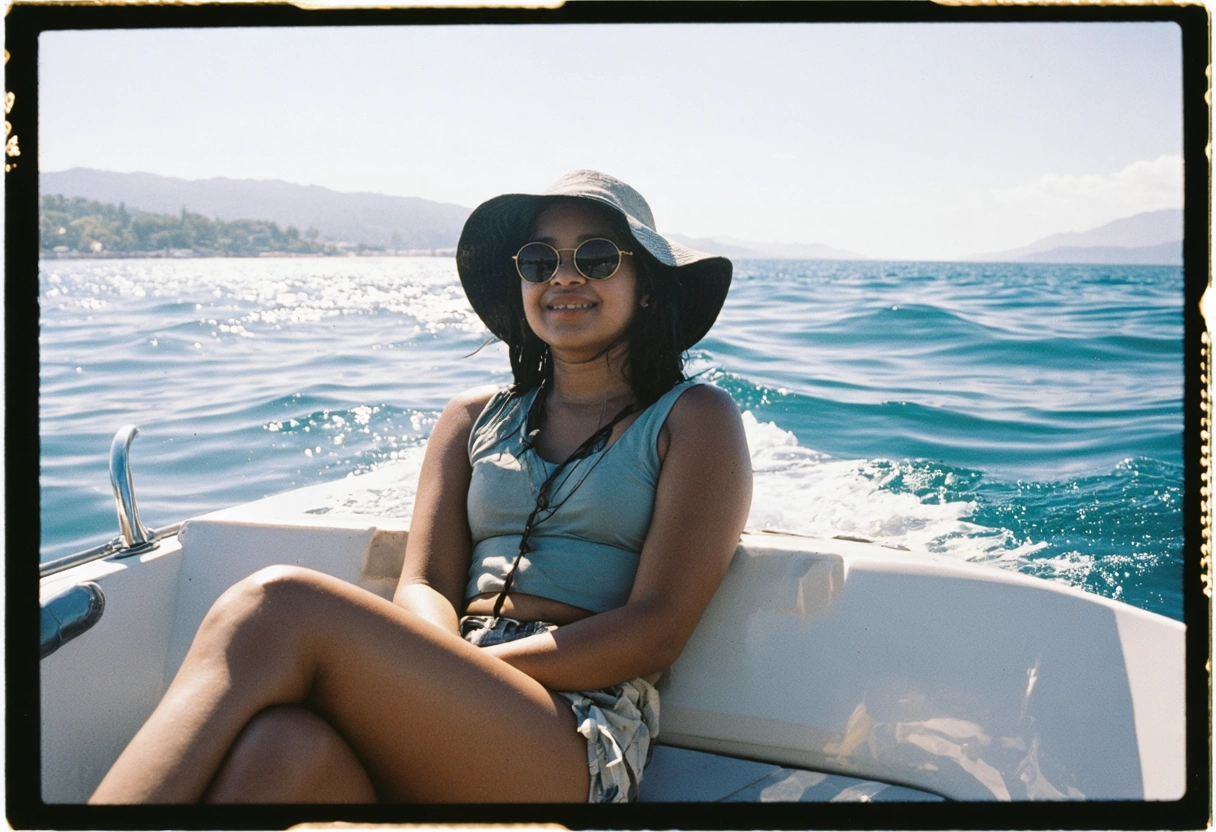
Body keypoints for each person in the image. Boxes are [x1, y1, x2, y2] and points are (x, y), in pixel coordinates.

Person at [89, 170, 753, 805]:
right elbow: (427, 583)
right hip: (455, 681)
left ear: (646, 287)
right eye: (539, 261)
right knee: (278, 751)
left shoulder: (694, 419)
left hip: (576, 727)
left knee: (273, 606)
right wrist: (442, 665)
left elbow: (657, 629)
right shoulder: (471, 419)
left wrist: (467, 672)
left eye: (599, 257)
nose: (565, 276)